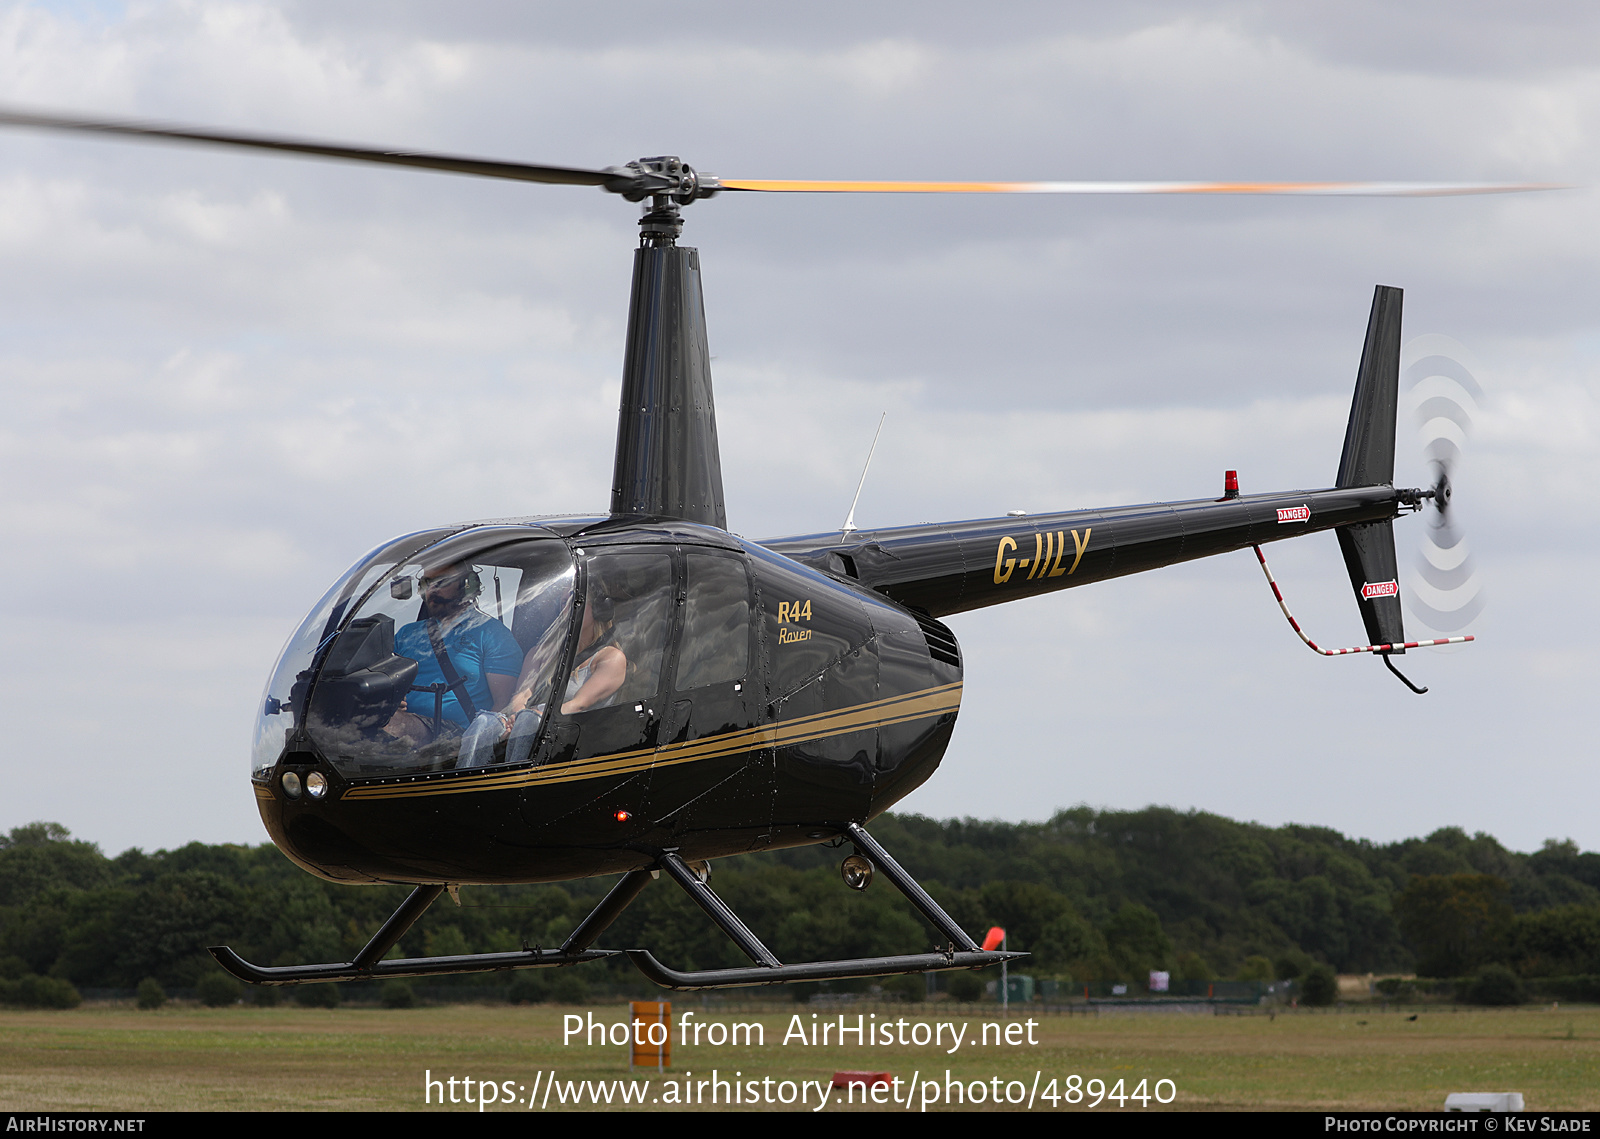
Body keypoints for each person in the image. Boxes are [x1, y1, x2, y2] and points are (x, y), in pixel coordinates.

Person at [458, 592, 628, 768]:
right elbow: (522, 694)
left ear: (599, 611)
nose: (566, 609)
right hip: (532, 727)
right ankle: (462, 787)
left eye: (576, 603)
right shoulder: (540, 653)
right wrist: (515, 717)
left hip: (574, 741)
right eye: (563, 603)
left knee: (529, 719)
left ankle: (516, 782)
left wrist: (537, 715)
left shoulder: (610, 658)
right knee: (484, 722)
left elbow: (579, 704)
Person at [382, 561, 522, 749]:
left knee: (388, 723)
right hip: (409, 725)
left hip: (461, 734)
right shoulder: (406, 634)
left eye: (440, 582)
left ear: (467, 585)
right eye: (425, 583)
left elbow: (503, 705)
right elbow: (386, 684)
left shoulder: (492, 634)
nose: (431, 590)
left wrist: (476, 746)